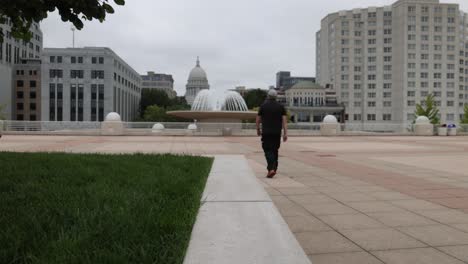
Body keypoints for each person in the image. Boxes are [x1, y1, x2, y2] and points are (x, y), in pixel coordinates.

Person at [256, 89, 288, 178]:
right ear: (276, 96)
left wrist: (258, 129)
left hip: (266, 133)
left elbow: (258, 119)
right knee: (275, 150)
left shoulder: (263, 106)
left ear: (268, 96)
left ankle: (271, 169)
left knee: (267, 150)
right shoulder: (281, 107)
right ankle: (273, 168)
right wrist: (285, 133)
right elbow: (284, 121)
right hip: (276, 133)